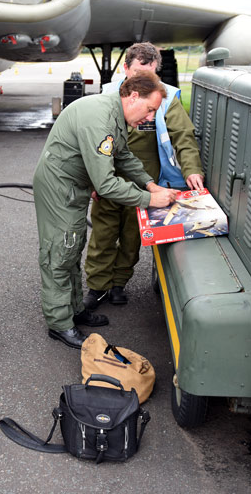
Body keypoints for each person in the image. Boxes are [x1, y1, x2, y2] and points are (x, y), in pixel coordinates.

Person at [33, 72, 179, 349]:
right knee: (59, 253)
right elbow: (106, 184)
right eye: (149, 109)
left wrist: (150, 185)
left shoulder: (115, 114)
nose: (150, 118)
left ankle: (74, 310)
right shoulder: (101, 120)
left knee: (72, 248)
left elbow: (123, 156)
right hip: (60, 188)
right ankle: (59, 323)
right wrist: (150, 201)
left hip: (74, 185)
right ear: (134, 96)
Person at [83, 43, 204, 310]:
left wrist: (192, 169)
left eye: (150, 76)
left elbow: (183, 137)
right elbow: (90, 142)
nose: (144, 82)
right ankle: (97, 286)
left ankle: (118, 283)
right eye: (138, 73)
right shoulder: (108, 96)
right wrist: (92, 180)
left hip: (145, 182)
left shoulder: (166, 97)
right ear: (125, 69)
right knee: (102, 235)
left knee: (131, 237)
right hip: (108, 178)